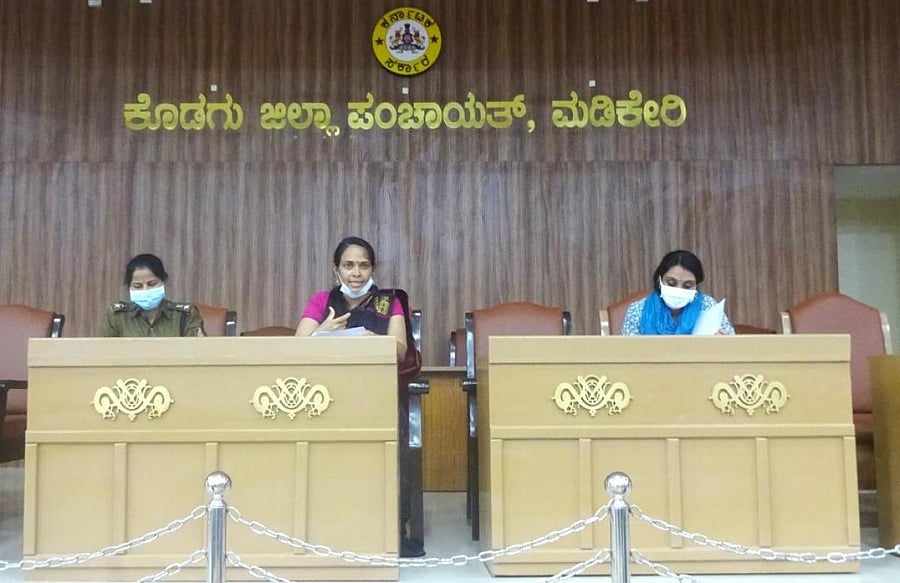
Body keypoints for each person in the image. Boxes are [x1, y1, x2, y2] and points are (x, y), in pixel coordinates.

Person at [295, 236, 408, 360]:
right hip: (325, 375)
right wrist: (320, 333)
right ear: (336, 269)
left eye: (364, 266)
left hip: (373, 374)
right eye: (348, 266)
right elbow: (296, 349)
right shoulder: (321, 300)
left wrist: (377, 342)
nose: (357, 273)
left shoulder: (389, 303)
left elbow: (401, 353)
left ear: (372, 269)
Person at [622, 249, 734, 335]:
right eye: (671, 283)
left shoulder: (708, 307)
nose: (679, 290)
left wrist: (724, 343)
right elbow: (625, 354)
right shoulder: (638, 311)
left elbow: (733, 347)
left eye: (687, 286)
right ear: (659, 281)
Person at [101, 253, 205, 337]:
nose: (145, 290)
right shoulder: (117, 316)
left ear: (164, 281)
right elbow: (105, 355)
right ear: (129, 287)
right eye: (138, 286)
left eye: (152, 284)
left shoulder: (185, 315)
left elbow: (197, 354)